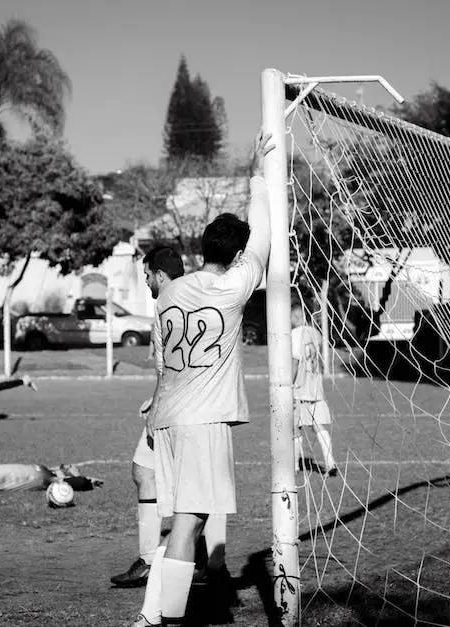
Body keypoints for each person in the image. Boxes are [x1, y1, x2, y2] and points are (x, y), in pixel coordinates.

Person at [132, 130, 273, 627]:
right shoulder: (232, 284)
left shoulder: (169, 293)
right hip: (201, 422)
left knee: (181, 524)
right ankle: (162, 618)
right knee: (189, 524)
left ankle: (154, 616)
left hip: (167, 420)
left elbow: (164, 366)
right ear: (235, 255)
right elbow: (265, 237)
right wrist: (259, 176)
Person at [111, 246, 229, 589]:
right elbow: (175, 366)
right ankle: (201, 562)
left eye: (147, 275)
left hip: (190, 410)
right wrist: (156, 396)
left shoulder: (172, 304)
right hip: (186, 404)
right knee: (154, 473)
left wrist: (159, 405)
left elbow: (175, 364)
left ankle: (198, 563)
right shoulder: (190, 298)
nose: (146, 281)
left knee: (198, 484)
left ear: (160, 276)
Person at [291, 303, 337, 476]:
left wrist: (288, 384)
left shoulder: (295, 335)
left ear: (295, 317)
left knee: (295, 429)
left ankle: (294, 465)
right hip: (316, 387)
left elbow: (295, 361)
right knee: (319, 427)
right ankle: (330, 462)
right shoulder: (315, 333)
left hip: (299, 388)